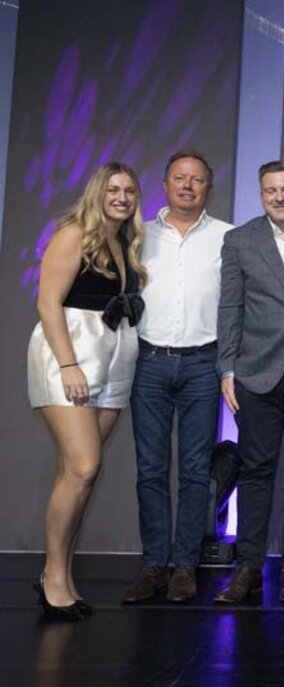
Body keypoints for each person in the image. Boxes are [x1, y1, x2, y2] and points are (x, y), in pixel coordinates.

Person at [28, 163, 147, 620]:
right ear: (97, 192)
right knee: (83, 466)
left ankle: (61, 575)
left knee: (79, 476)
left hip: (115, 359)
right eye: (113, 189)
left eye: (129, 190)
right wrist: (68, 364)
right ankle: (52, 577)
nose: (121, 197)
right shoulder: (73, 233)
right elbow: (48, 302)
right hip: (72, 355)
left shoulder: (123, 242)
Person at [214, 161, 284, 604]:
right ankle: (248, 568)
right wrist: (227, 369)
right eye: (270, 191)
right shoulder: (240, 240)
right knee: (255, 470)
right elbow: (230, 307)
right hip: (256, 372)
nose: (279, 197)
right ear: (261, 195)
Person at [124, 151, 232, 605]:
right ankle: (155, 565)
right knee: (150, 470)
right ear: (165, 184)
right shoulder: (138, 235)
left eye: (197, 179)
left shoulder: (227, 237)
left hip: (203, 364)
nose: (188, 186)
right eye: (180, 178)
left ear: (209, 187)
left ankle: (185, 565)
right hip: (148, 362)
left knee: (195, 470)